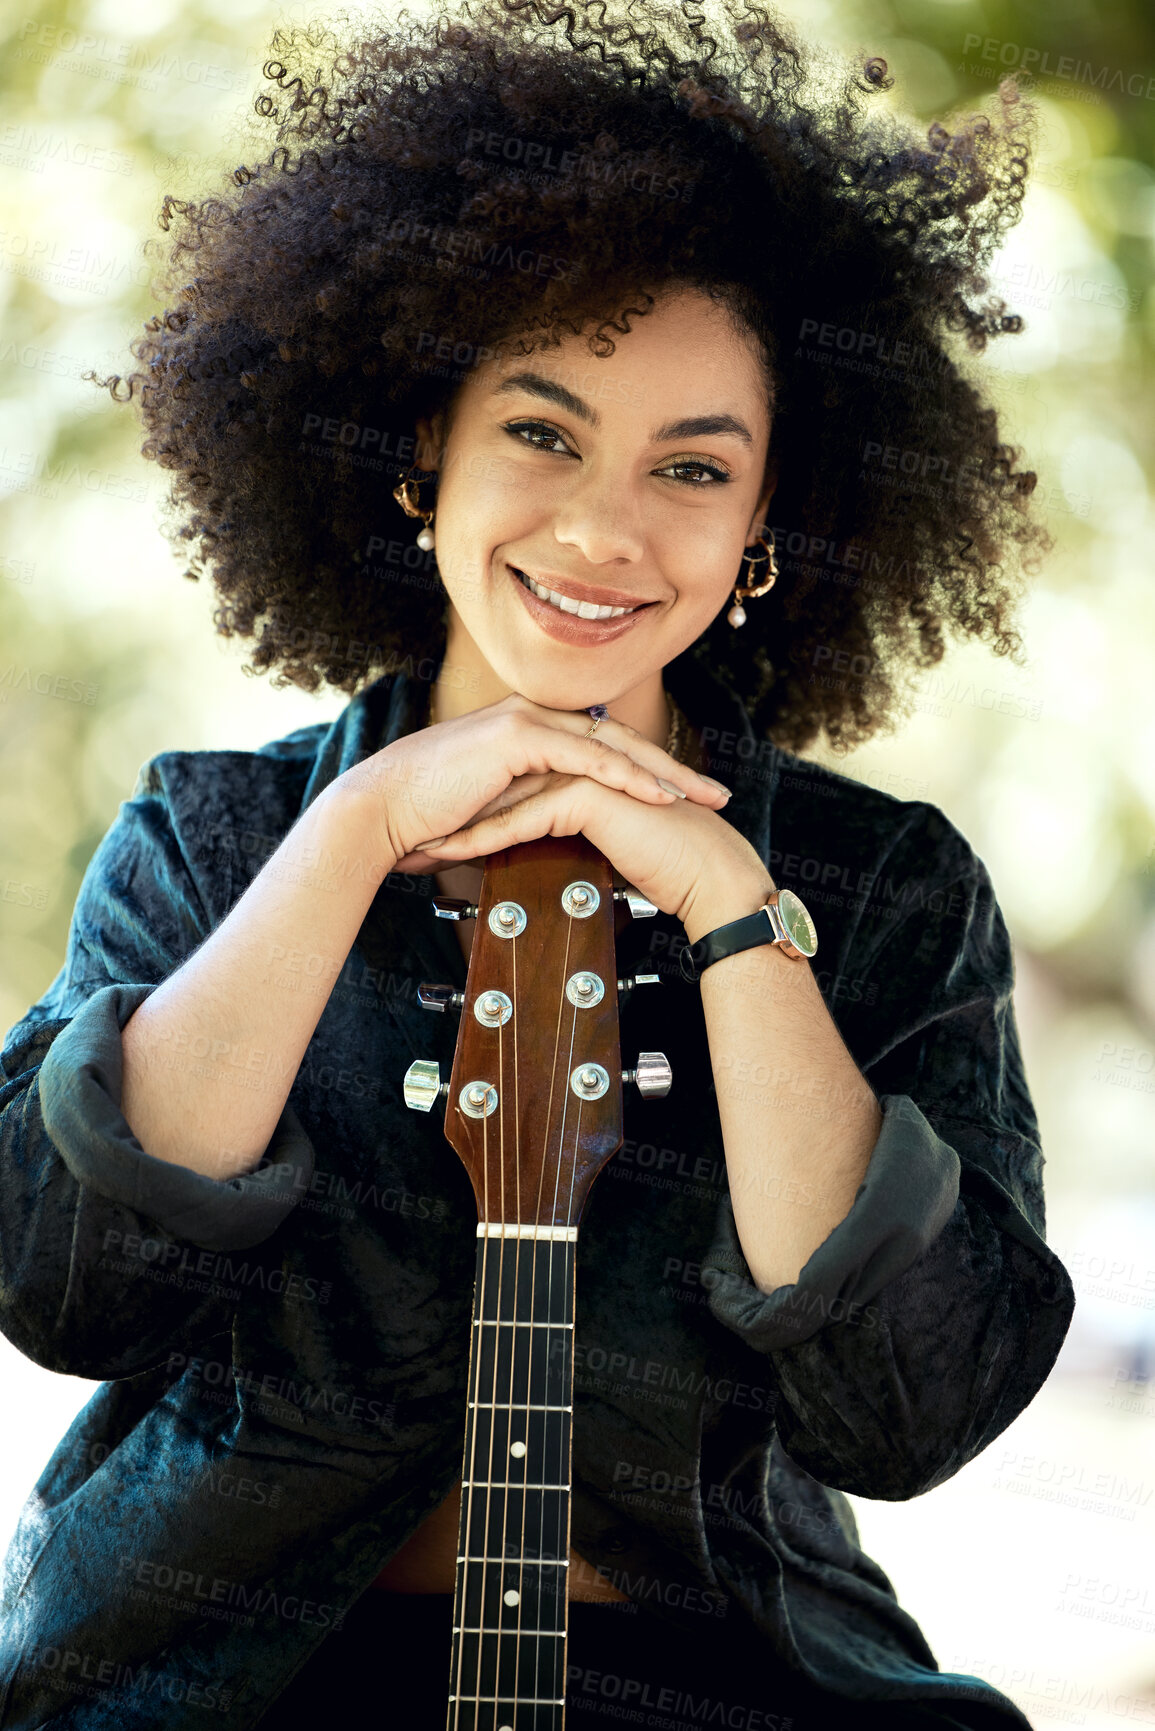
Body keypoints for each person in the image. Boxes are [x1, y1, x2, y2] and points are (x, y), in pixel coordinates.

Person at [0, 1, 1075, 1725]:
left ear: (763, 528)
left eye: (693, 467)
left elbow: (909, 1411)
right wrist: (354, 832)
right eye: (543, 431)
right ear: (424, 447)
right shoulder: (214, 835)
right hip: (219, 1681)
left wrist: (734, 907)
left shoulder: (882, 892)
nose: (602, 531)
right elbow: (64, 1283)